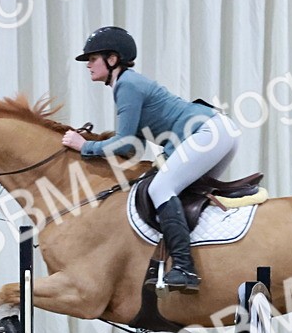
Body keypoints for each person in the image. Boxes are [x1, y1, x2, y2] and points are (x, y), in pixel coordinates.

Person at [61, 26, 239, 293]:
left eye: (92, 58)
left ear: (112, 59)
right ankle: (209, 259)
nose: (88, 65)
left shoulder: (127, 85)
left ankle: (184, 268)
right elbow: (134, 146)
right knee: (185, 194)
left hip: (207, 132)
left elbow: (124, 142)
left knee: (160, 188)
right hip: (218, 131)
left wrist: (85, 146)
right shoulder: (128, 83)